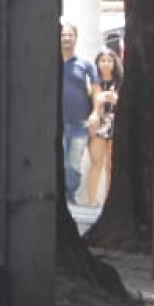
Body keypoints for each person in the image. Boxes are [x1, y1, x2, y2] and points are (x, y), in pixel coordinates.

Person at [59, 20, 97, 203]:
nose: (66, 38)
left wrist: (95, 113)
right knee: (58, 163)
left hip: (80, 123)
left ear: (75, 38)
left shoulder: (86, 64)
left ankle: (69, 194)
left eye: (70, 35)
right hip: (57, 123)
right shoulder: (51, 63)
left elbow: (96, 90)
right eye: (63, 35)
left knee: (73, 164)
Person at [82, 48, 123, 208]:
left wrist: (111, 98)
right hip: (98, 124)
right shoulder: (94, 80)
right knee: (96, 162)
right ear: (97, 63)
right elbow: (97, 98)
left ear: (115, 63)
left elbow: (116, 99)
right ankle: (91, 200)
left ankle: (108, 202)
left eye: (109, 60)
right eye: (102, 60)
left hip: (115, 124)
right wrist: (108, 97)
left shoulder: (120, 81)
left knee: (111, 166)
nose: (106, 64)